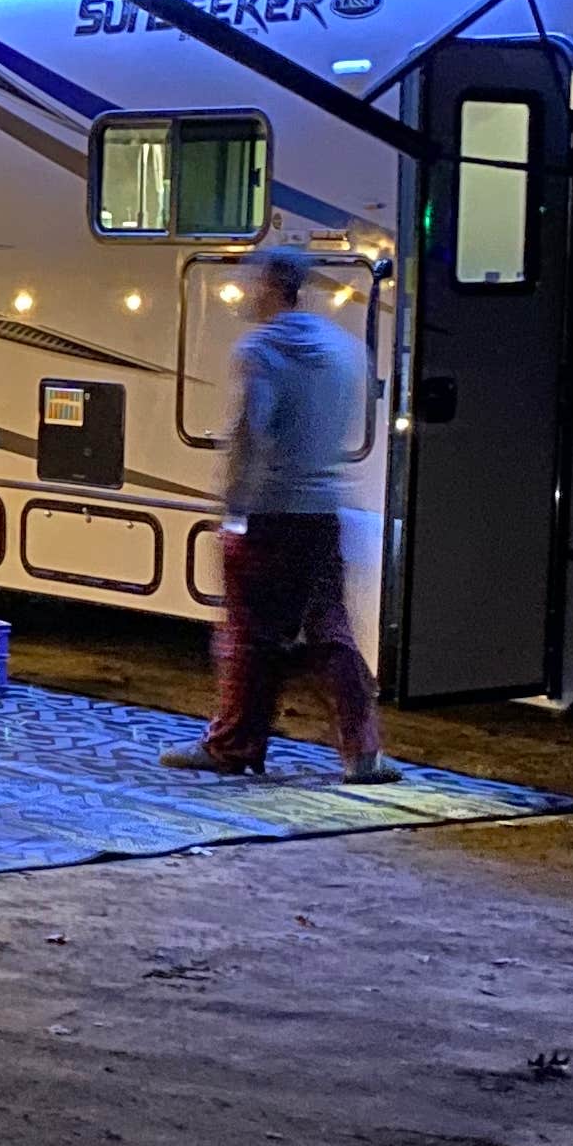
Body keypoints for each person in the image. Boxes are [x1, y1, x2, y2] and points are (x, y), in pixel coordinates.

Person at [163, 242, 395, 782]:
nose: (246, 292)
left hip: (269, 513)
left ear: (272, 286)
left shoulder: (260, 350)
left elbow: (251, 435)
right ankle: (364, 752)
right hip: (321, 511)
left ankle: (234, 747)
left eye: (253, 282)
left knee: (249, 635)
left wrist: (232, 510)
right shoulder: (343, 351)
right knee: (330, 629)